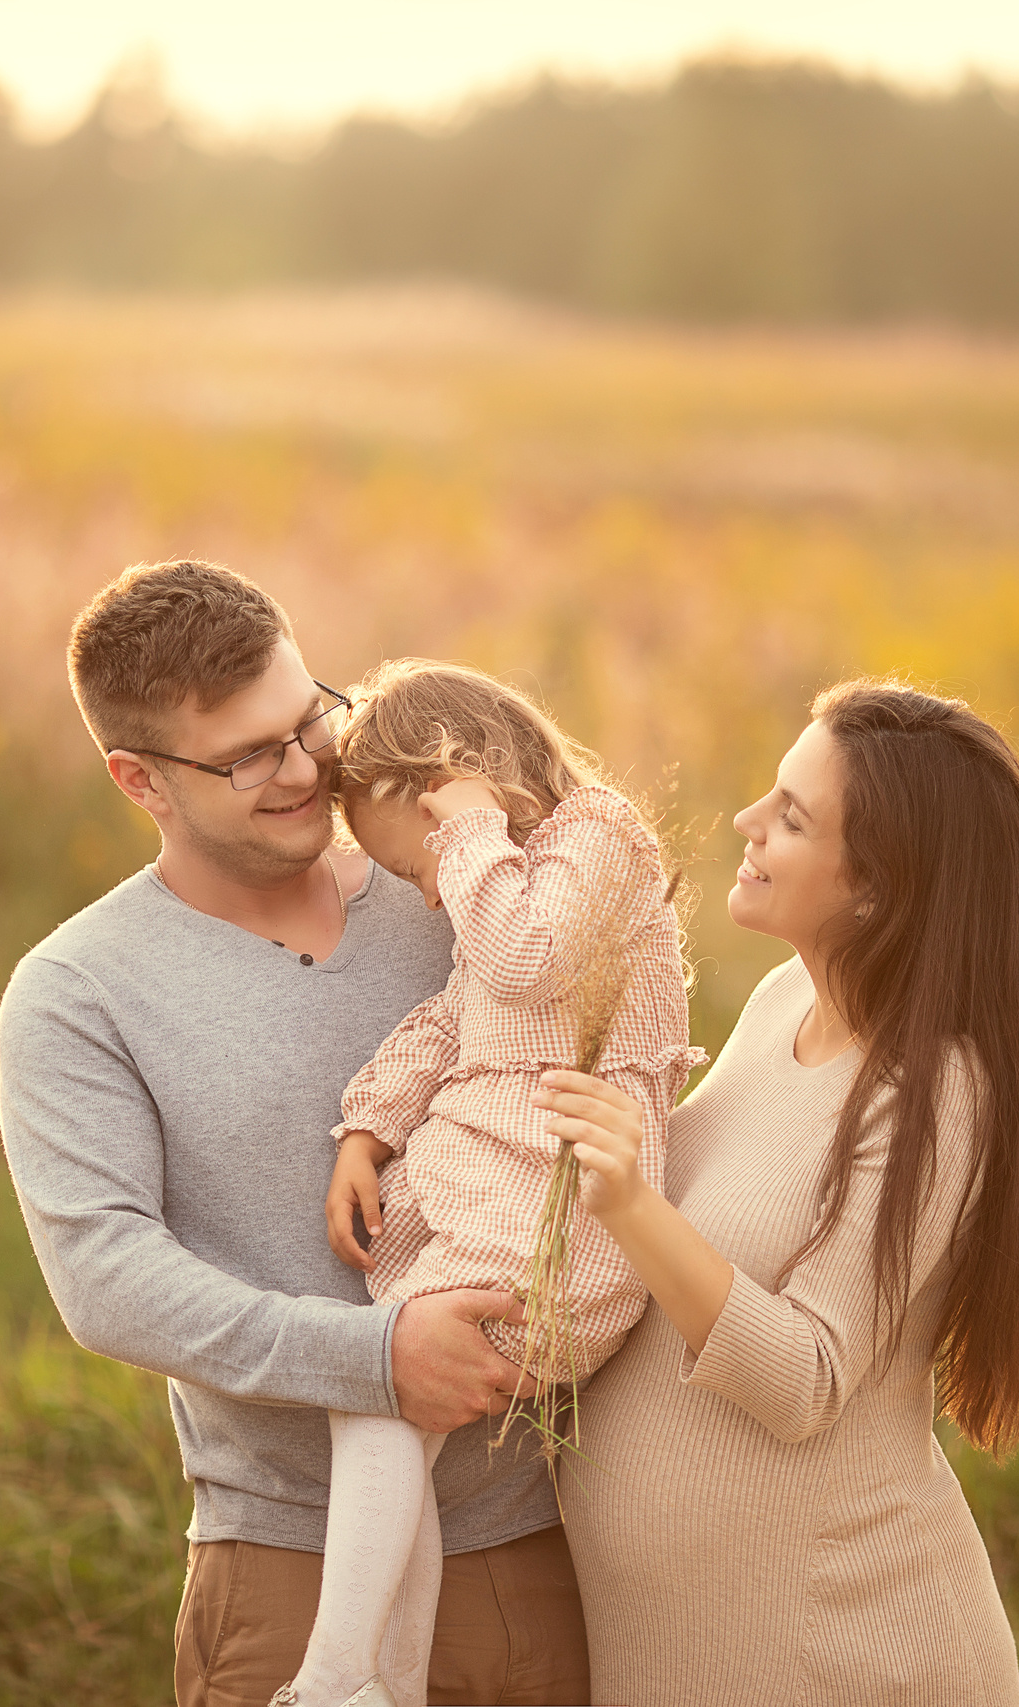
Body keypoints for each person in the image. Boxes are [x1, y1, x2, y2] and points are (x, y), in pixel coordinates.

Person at [0, 561, 593, 1707]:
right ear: (139, 780)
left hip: (538, 1544)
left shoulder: (461, 901)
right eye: (246, 758)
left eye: (307, 718)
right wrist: (377, 1361)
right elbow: (106, 1281)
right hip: (289, 1572)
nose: (306, 769)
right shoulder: (78, 991)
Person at [543, 678, 1019, 1705]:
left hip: (834, 1648)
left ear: (876, 889)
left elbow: (804, 1379)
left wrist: (632, 1207)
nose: (747, 823)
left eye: (791, 817)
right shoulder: (781, 996)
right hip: (684, 1651)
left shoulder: (936, 1094)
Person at [277, 660, 704, 1707]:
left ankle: (335, 1688)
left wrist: (467, 833)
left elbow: (524, 963)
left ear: (460, 779)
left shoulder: (596, 840)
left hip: (556, 1220)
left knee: (381, 1395)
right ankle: (383, 1687)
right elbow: (453, 1017)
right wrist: (365, 1132)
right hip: (490, 1201)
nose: (429, 891)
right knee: (385, 1410)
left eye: (414, 861)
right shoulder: (506, 886)